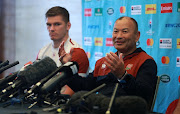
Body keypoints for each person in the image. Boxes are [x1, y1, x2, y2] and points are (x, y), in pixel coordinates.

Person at [62, 16, 157, 110]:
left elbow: (143, 97)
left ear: (137, 36)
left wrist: (123, 75)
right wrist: (66, 67)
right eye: (115, 31)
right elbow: (84, 87)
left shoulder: (146, 61)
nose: (118, 36)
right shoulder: (104, 62)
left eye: (124, 31)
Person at [36, 6, 89, 96]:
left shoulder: (77, 52)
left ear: (68, 26)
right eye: (49, 25)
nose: (52, 29)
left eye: (57, 24)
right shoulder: (43, 51)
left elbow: (76, 89)